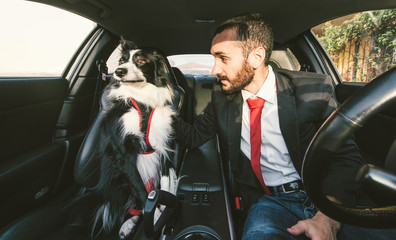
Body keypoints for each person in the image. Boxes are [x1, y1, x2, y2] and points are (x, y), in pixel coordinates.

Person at [174, 13, 393, 240]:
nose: (214, 70)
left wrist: (327, 216)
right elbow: (192, 137)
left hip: (326, 193)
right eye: (214, 59)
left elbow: (346, 156)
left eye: (223, 58)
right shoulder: (221, 98)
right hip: (271, 203)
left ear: (256, 57)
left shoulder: (313, 90)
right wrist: (154, 112)